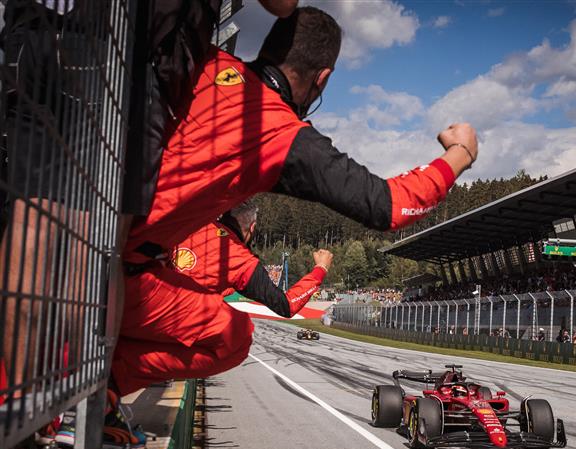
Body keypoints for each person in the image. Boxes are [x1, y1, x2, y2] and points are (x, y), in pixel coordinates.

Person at [110, 6, 478, 397]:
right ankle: (109, 387)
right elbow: (390, 205)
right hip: (120, 266)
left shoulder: (207, 63)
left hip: (95, 224)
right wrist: (460, 155)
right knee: (234, 337)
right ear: (323, 79)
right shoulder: (277, 130)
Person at [114, 201, 332, 394]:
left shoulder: (195, 223)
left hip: (121, 281)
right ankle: (117, 381)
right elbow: (287, 305)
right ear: (252, 229)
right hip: (152, 313)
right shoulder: (238, 258)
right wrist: (319, 269)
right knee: (238, 340)